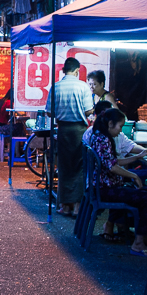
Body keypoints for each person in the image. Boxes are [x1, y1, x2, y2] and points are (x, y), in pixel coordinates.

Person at [88, 108, 147, 254]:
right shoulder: (102, 139)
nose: (120, 131)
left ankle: (144, 237)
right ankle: (139, 243)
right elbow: (112, 167)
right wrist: (134, 176)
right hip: (105, 189)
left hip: (103, 186)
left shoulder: (100, 136)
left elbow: (113, 161)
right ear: (110, 123)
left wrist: (138, 156)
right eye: (120, 126)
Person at [45, 57, 95, 217]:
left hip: (63, 130)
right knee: (79, 167)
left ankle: (64, 206)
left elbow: (49, 112)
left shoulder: (56, 87)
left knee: (64, 167)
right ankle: (77, 206)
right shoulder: (83, 87)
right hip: (79, 130)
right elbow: (88, 111)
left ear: (64, 70)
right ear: (76, 70)